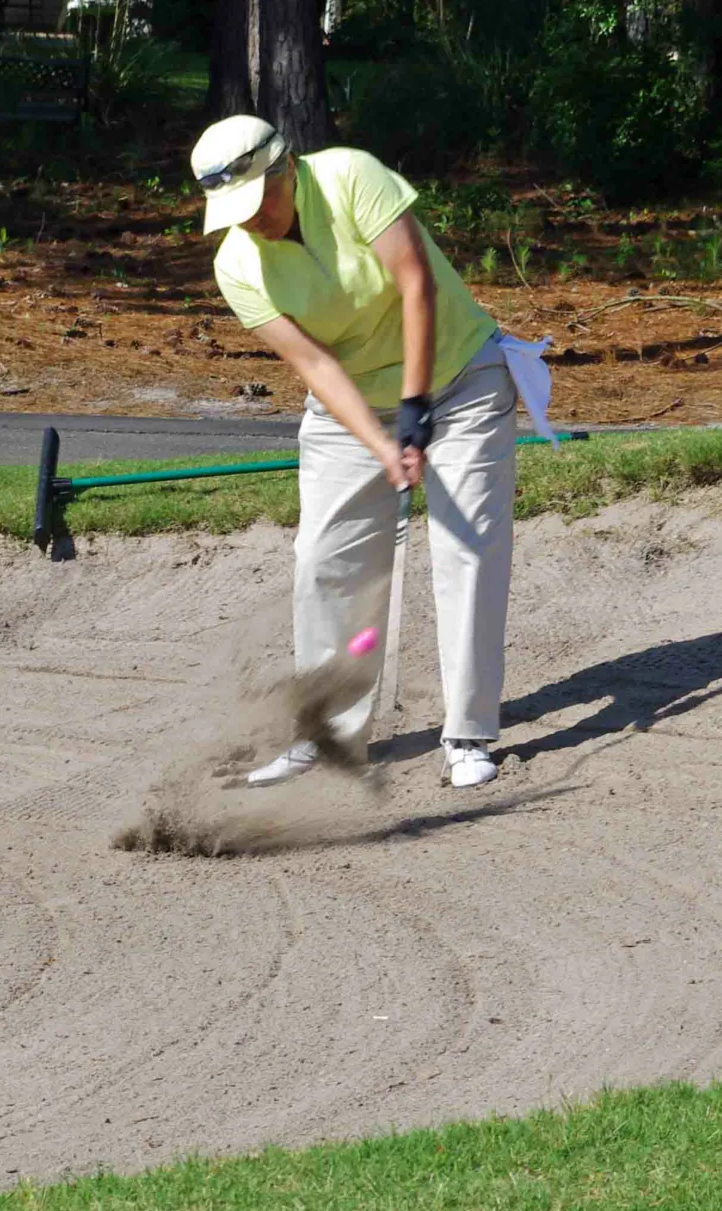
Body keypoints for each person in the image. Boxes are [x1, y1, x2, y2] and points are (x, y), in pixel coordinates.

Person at [191, 115, 552, 791]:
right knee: (324, 561)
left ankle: (468, 732)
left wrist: (415, 409)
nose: (250, 223)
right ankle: (326, 736)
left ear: (284, 170)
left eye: (257, 203)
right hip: (351, 401)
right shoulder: (236, 264)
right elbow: (317, 367)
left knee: (466, 549)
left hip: (461, 377)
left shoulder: (351, 176)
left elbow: (417, 285)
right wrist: (382, 443)